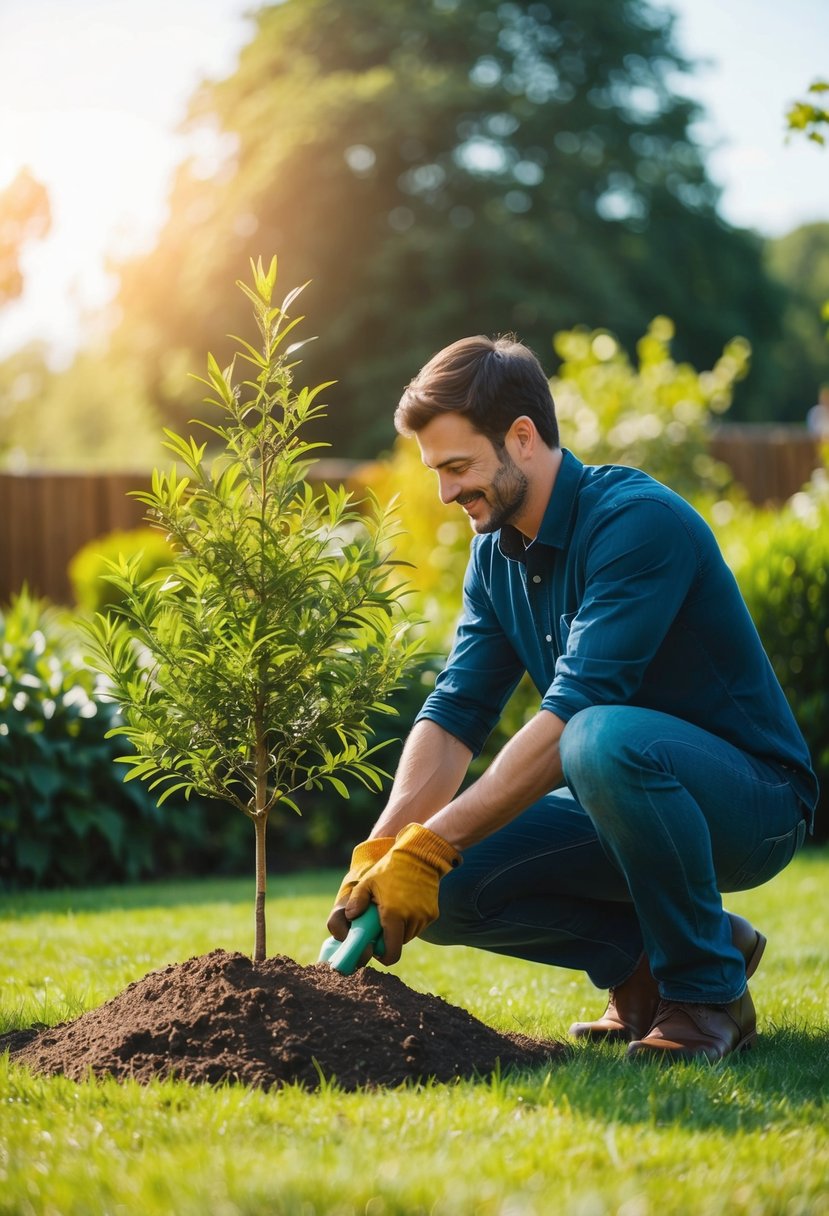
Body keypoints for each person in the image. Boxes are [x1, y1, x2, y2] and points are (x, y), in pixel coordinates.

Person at [326, 334, 817, 1063]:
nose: (446, 492)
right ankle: (647, 968)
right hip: (620, 798)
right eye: (437, 472)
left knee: (595, 735)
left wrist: (432, 844)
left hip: (754, 804)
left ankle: (708, 995)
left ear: (521, 438)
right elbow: (456, 710)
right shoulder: (494, 556)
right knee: (450, 887)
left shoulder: (634, 523)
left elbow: (571, 719)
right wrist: (391, 842)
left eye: (457, 467)